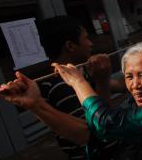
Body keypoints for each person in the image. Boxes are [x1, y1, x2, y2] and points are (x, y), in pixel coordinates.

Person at [0, 40, 142, 157]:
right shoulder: (135, 105)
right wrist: (36, 104)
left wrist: (78, 82)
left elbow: (106, 125)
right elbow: (90, 133)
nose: (134, 85)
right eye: (129, 76)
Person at [34, 16, 119, 159]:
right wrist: (102, 81)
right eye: (86, 38)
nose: (91, 43)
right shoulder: (59, 85)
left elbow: (121, 85)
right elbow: (99, 127)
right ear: (70, 46)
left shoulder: (84, 72)